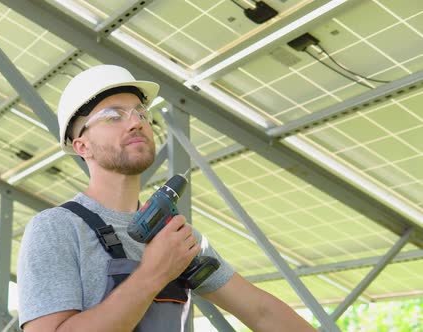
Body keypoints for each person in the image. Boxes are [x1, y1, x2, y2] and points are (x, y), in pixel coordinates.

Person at [17, 64, 317, 331]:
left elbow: (262, 313)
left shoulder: (174, 233)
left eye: (140, 113)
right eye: (112, 116)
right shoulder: (56, 228)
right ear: (82, 146)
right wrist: (154, 272)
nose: (136, 122)